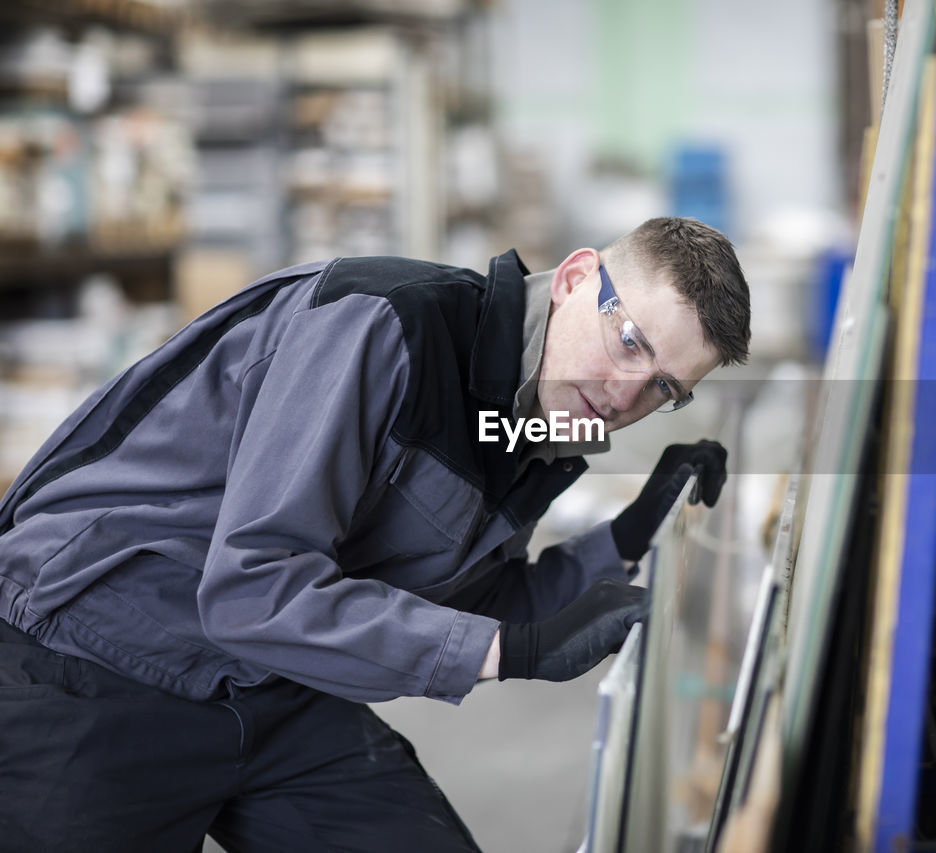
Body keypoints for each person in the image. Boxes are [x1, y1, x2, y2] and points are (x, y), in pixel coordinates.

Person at [0, 216, 751, 851]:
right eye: (630, 342)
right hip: (92, 655)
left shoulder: (533, 424)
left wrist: (626, 534)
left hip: (264, 677)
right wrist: (510, 655)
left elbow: (467, 595)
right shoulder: (387, 325)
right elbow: (252, 589)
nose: (628, 395)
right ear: (575, 278)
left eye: (664, 388)